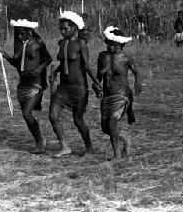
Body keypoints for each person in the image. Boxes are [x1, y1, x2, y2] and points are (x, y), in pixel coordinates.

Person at [49, 11, 102, 158]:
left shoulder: (81, 43)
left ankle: (89, 147)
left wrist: (97, 83)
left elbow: (86, 65)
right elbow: (62, 63)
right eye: (61, 29)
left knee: (78, 120)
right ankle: (64, 146)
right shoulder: (61, 43)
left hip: (79, 88)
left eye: (65, 29)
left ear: (74, 28)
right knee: (53, 115)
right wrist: (53, 73)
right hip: (63, 87)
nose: (62, 32)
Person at [0, 19, 52, 153]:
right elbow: (17, 63)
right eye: (17, 34)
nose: (19, 36)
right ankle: (39, 138)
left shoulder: (38, 43)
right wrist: (4, 55)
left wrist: (39, 69)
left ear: (29, 31)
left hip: (35, 83)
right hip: (23, 85)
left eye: (21, 33)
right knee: (27, 115)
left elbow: (48, 59)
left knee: (27, 113)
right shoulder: (20, 45)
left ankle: (39, 143)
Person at [97, 26, 141, 159]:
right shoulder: (102, 57)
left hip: (122, 96)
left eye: (113, 44)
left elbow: (136, 72)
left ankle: (117, 156)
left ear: (120, 44)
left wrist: (137, 82)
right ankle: (124, 139)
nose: (110, 47)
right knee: (106, 128)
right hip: (107, 96)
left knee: (112, 122)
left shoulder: (125, 57)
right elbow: (98, 77)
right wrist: (96, 85)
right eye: (108, 43)